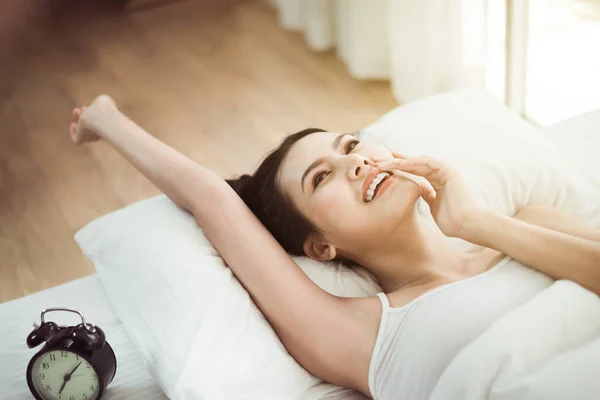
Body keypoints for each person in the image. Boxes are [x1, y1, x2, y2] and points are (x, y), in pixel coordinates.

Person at [70, 95, 600, 400]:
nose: (355, 163)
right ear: (320, 247)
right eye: (323, 177)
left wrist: (475, 222)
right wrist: (107, 119)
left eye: (350, 145)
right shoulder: (363, 334)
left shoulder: (525, 223)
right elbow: (214, 201)